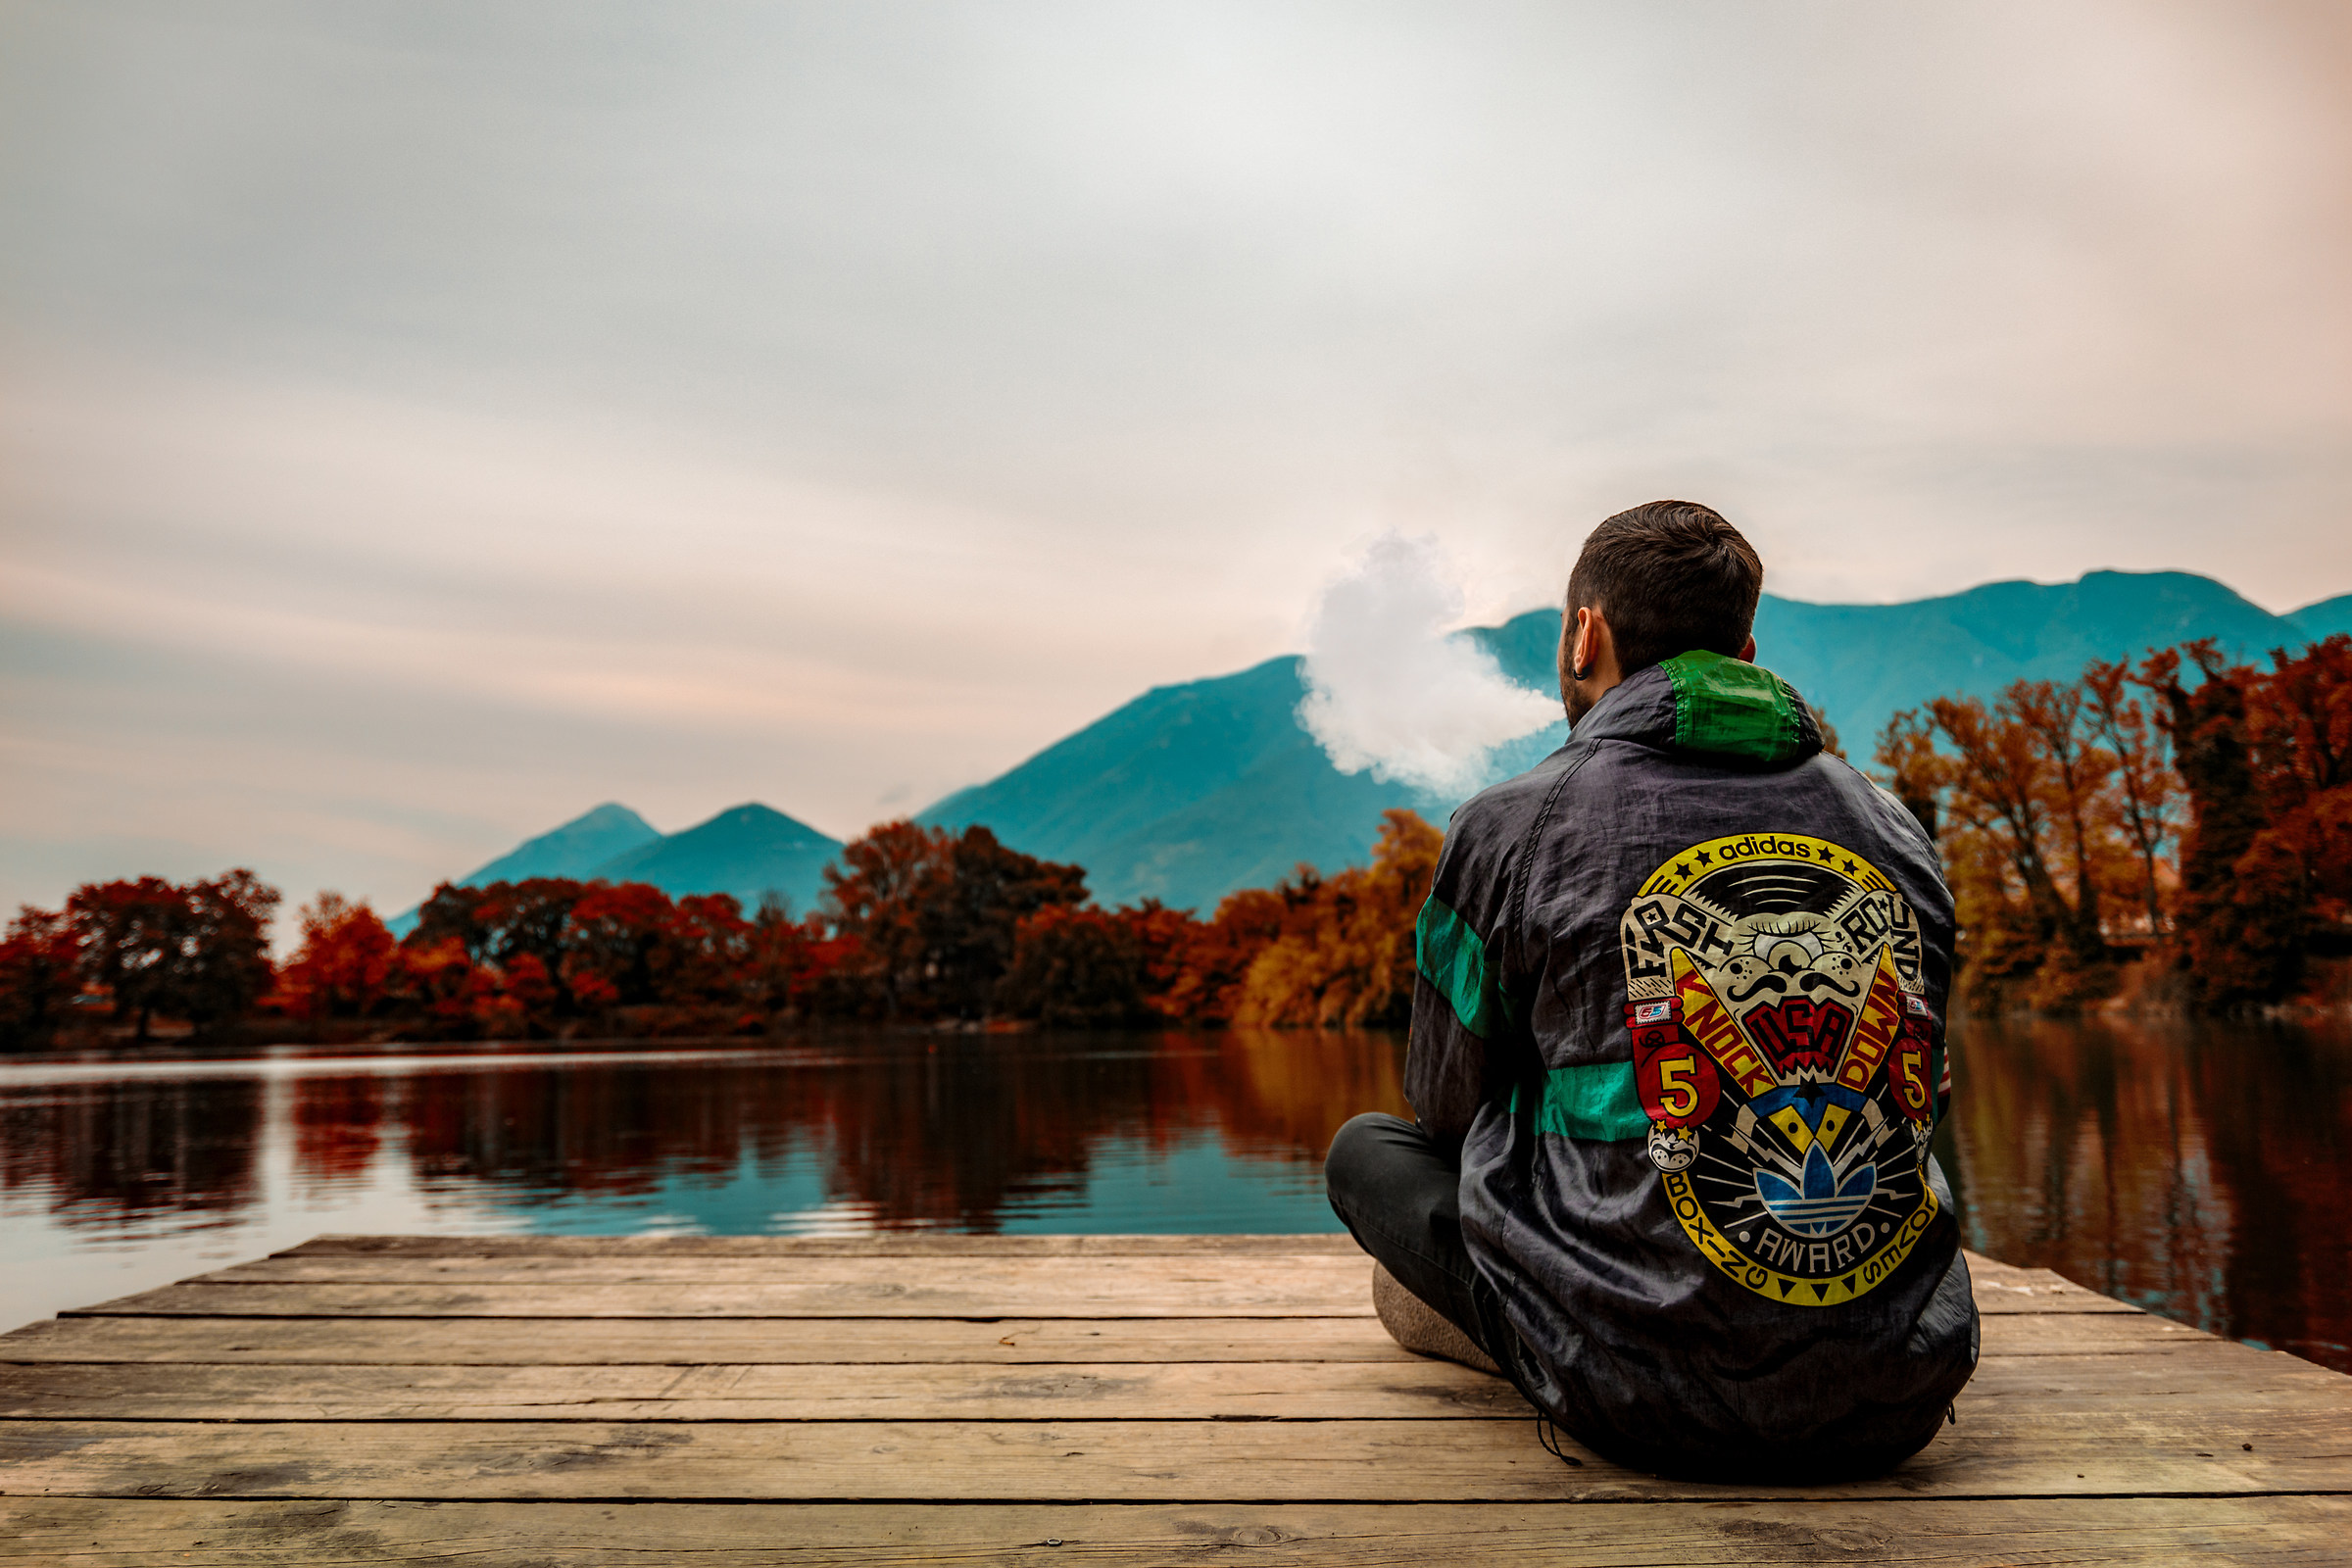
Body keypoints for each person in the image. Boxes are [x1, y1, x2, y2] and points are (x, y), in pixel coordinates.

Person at [1326, 500, 1978, 1481]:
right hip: (1897, 1384)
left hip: (1640, 1397)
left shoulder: (1506, 826)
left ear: (1584, 634)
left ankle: (1529, 1332)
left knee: (1367, 1152)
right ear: (1745, 654)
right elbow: (1921, 1095)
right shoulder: (1892, 826)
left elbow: (1446, 1111)